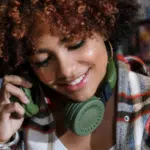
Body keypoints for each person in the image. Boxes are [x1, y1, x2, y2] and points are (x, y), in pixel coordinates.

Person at [0, 0, 149, 150]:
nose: (66, 71)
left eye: (76, 44)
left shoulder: (145, 103)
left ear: (104, 29)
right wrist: (3, 140)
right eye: (43, 61)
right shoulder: (21, 122)